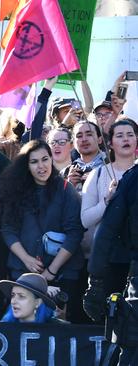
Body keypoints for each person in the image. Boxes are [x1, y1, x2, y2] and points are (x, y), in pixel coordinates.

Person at [0, 140, 85, 323]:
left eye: (45, 159)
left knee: (59, 325)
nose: (41, 166)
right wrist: (26, 259)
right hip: (23, 271)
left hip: (62, 272)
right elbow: (8, 229)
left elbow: (74, 233)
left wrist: (52, 271)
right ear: (26, 165)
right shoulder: (16, 190)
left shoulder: (65, 189)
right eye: (34, 161)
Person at [85, 162, 138, 364]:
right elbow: (107, 231)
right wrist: (96, 283)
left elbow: (106, 231)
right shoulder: (133, 178)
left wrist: (96, 282)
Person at [81, 119, 137, 296]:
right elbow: (85, 219)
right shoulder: (98, 174)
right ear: (110, 143)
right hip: (108, 258)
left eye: (130, 135)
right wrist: (106, 201)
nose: (125, 139)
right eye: (119, 136)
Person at [64, 121, 107, 192]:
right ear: (74, 143)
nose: (84, 139)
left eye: (89, 134)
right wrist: (70, 186)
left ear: (100, 140)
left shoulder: (112, 166)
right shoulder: (66, 172)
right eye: (79, 136)